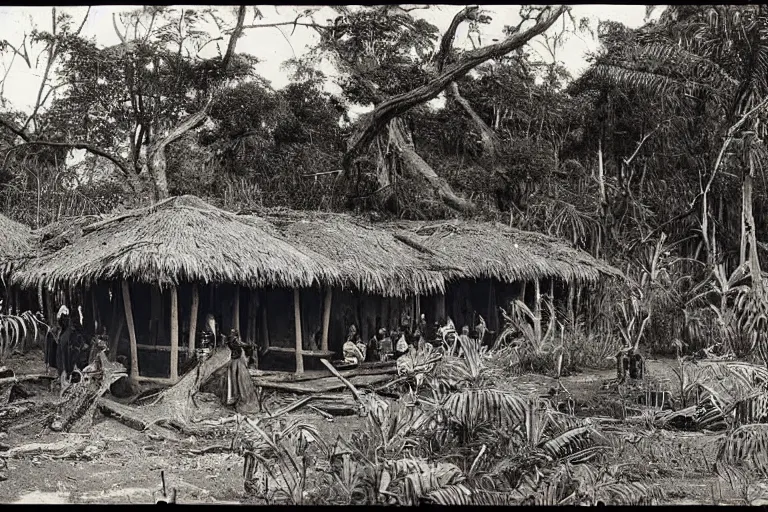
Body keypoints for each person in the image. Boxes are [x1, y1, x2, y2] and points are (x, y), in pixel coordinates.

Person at [222, 329, 253, 407]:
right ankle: (234, 396)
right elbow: (243, 345)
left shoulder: (230, 341)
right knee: (236, 377)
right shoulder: (234, 341)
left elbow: (242, 345)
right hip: (236, 360)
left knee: (235, 377)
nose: (231, 334)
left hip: (234, 359)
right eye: (231, 333)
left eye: (233, 333)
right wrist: (249, 346)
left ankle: (234, 396)